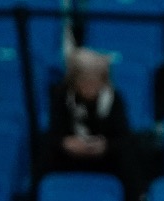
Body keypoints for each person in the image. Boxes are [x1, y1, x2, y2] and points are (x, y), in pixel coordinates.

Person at [44, 49, 135, 192]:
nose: (90, 86)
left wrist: (105, 146)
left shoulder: (114, 99)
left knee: (128, 158)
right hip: (69, 156)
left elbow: (123, 137)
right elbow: (54, 134)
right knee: (45, 157)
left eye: (95, 81)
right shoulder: (62, 96)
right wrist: (66, 143)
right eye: (85, 81)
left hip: (104, 157)